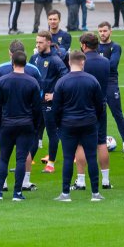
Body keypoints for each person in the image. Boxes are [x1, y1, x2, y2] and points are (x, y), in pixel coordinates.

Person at [0, 51, 43, 202]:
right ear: (25, 63)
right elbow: (37, 108)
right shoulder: (32, 82)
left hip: (7, 124)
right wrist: (35, 126)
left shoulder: (3, 81)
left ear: (12, 62)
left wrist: (0, 123)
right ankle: (17, 193)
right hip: (26, 124)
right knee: (21, 159)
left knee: (4, 159)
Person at [52, 50, 105, 202]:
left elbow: (56, 108)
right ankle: (95, 193)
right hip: (88, 123)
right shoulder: (92, 80)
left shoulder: (62, 82)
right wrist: (95, 119)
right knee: (92, 157)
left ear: (69, 62)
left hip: (68, 124)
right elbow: (100, 105)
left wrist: (59, 124)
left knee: (68, 158)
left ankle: (65, 193)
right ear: (83, 62)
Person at [71, 32, 112, 191]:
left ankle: (81, 181)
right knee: (101, 142)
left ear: (84, 45)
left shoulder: (82, 63)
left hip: (83, 106)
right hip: (100, 104)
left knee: (80, 143)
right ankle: (106, 180)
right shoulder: (105, 62)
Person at [31, 31, 68, 173]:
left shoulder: (55, 60)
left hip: (49, 104)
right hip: (35, 103)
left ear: (48, 42)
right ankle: (28, 161)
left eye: (40, 42)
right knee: (33, 132)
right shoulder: (34, 58)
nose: (38, 45)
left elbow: (65, 77)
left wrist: (55, 94)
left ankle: (50, 164)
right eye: (37, 42)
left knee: (52, 133)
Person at [98, 22, 124, 152]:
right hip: (97, 83)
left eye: (105, 31)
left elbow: (113, 65)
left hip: (110, 82)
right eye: (100, 31)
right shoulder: (94, 46)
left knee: (117, 113)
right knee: (99, 114)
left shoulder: (115, 47)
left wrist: (96, 63)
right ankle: (100, 141)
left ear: (110, 31)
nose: (102, 34)